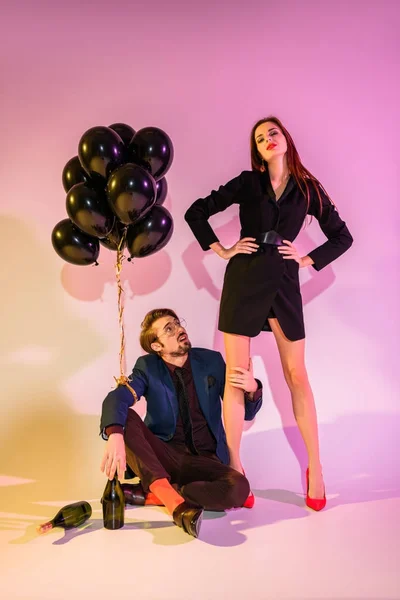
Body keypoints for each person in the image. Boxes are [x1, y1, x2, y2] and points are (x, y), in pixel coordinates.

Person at [184, 116, 353, 511]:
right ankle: (236, 468)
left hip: (283, 279)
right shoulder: (248, 182)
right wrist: (221, 248)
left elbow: (342, 236)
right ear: (257, 151)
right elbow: (197, 211)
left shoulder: (309, 190)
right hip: (243, 279)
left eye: (272, 133)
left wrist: (309, 258)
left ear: (285, 139)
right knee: (236, 376)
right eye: (260, 139)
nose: (268, 140)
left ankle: (316, 467)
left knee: (296, 375)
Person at [100, 308, 263, 538]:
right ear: (157, 346)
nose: (179, 329)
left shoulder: (212, 361)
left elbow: (244, 414)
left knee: (238, 488)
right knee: (123, 416)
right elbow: (118, 397)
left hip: (206, 461)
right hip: (164, 455)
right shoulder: (147, 367)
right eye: (169, 329)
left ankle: (158, 492)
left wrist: (252, 389)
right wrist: (115, 434)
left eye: (177, 323)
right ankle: (174, 502)